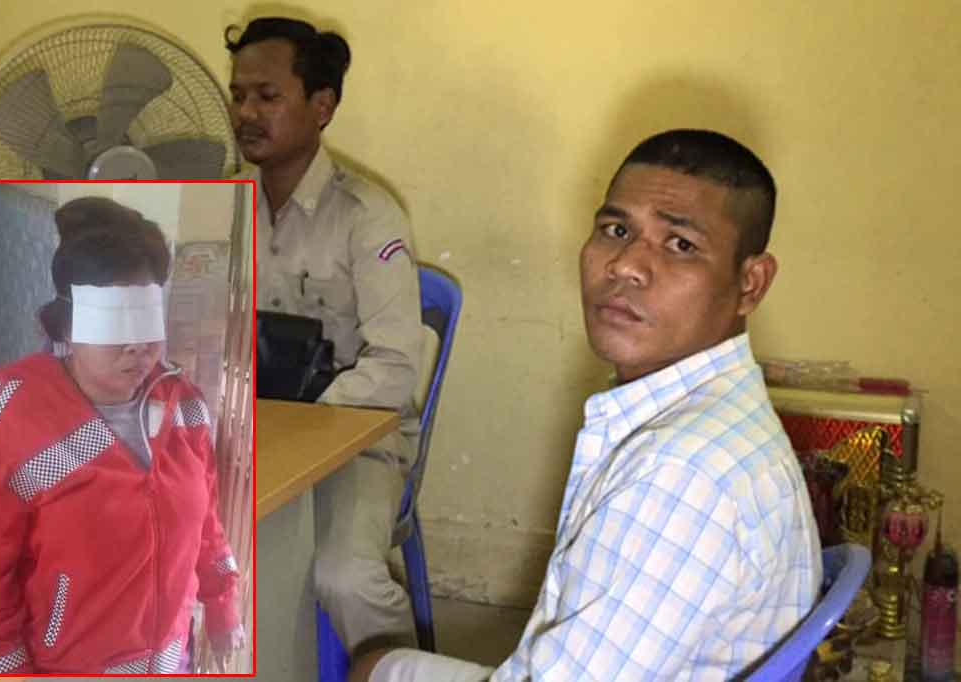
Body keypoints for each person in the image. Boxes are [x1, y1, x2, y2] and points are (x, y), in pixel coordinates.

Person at [351, 129, 822, 681]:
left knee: (374, 669)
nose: (625, 266)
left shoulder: (680, 477)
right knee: (381, 665)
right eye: (616, 230)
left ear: (750, 283)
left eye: (680, 245)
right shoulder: (714, 415)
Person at [0, 197, 245, 674]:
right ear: (68, 324)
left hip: (172, 662)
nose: (138, 347)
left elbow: (206, 519)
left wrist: (222, 602)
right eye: (115, 324)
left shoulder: (183, 404)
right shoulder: (14, 419)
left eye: (146, 321)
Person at [227, 17, 423, 655]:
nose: (246, 113)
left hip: (354, 436)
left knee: (345, 577)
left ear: (322, 107)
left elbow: (395, 367)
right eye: (238, 95)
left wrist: (301, 426)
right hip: (243, 434)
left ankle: (393, 667)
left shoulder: (368, 217)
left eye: (267, 96)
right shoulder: (221, 207)